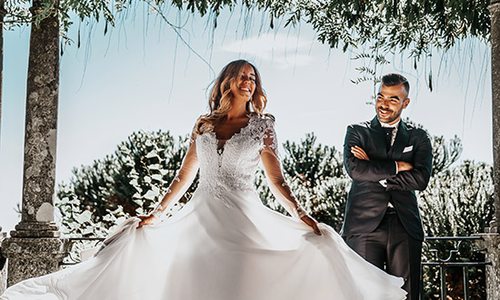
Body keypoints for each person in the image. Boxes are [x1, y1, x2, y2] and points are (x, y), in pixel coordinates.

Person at [1, 60, 407, 300]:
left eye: (254, 78)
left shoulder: (263, 125)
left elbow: (277, 180)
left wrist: (303, 217)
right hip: (201, 218)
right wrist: (155, 214)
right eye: (243, 76)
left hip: (245, 220)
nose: (249, 81)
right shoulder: (204, 125)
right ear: (228, 82)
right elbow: (184, 175)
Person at [342, 73, 433, 300]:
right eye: (381, 96)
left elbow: (420, 179)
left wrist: (376, 171)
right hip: (363, 226)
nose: (384, 104)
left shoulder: (418, 137)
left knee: (407, 296)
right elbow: (356, 170)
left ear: (405, 103)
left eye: (393, 99)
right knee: (364, 295)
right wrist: (398, 166)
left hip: (405, 226)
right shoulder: (356, 131)